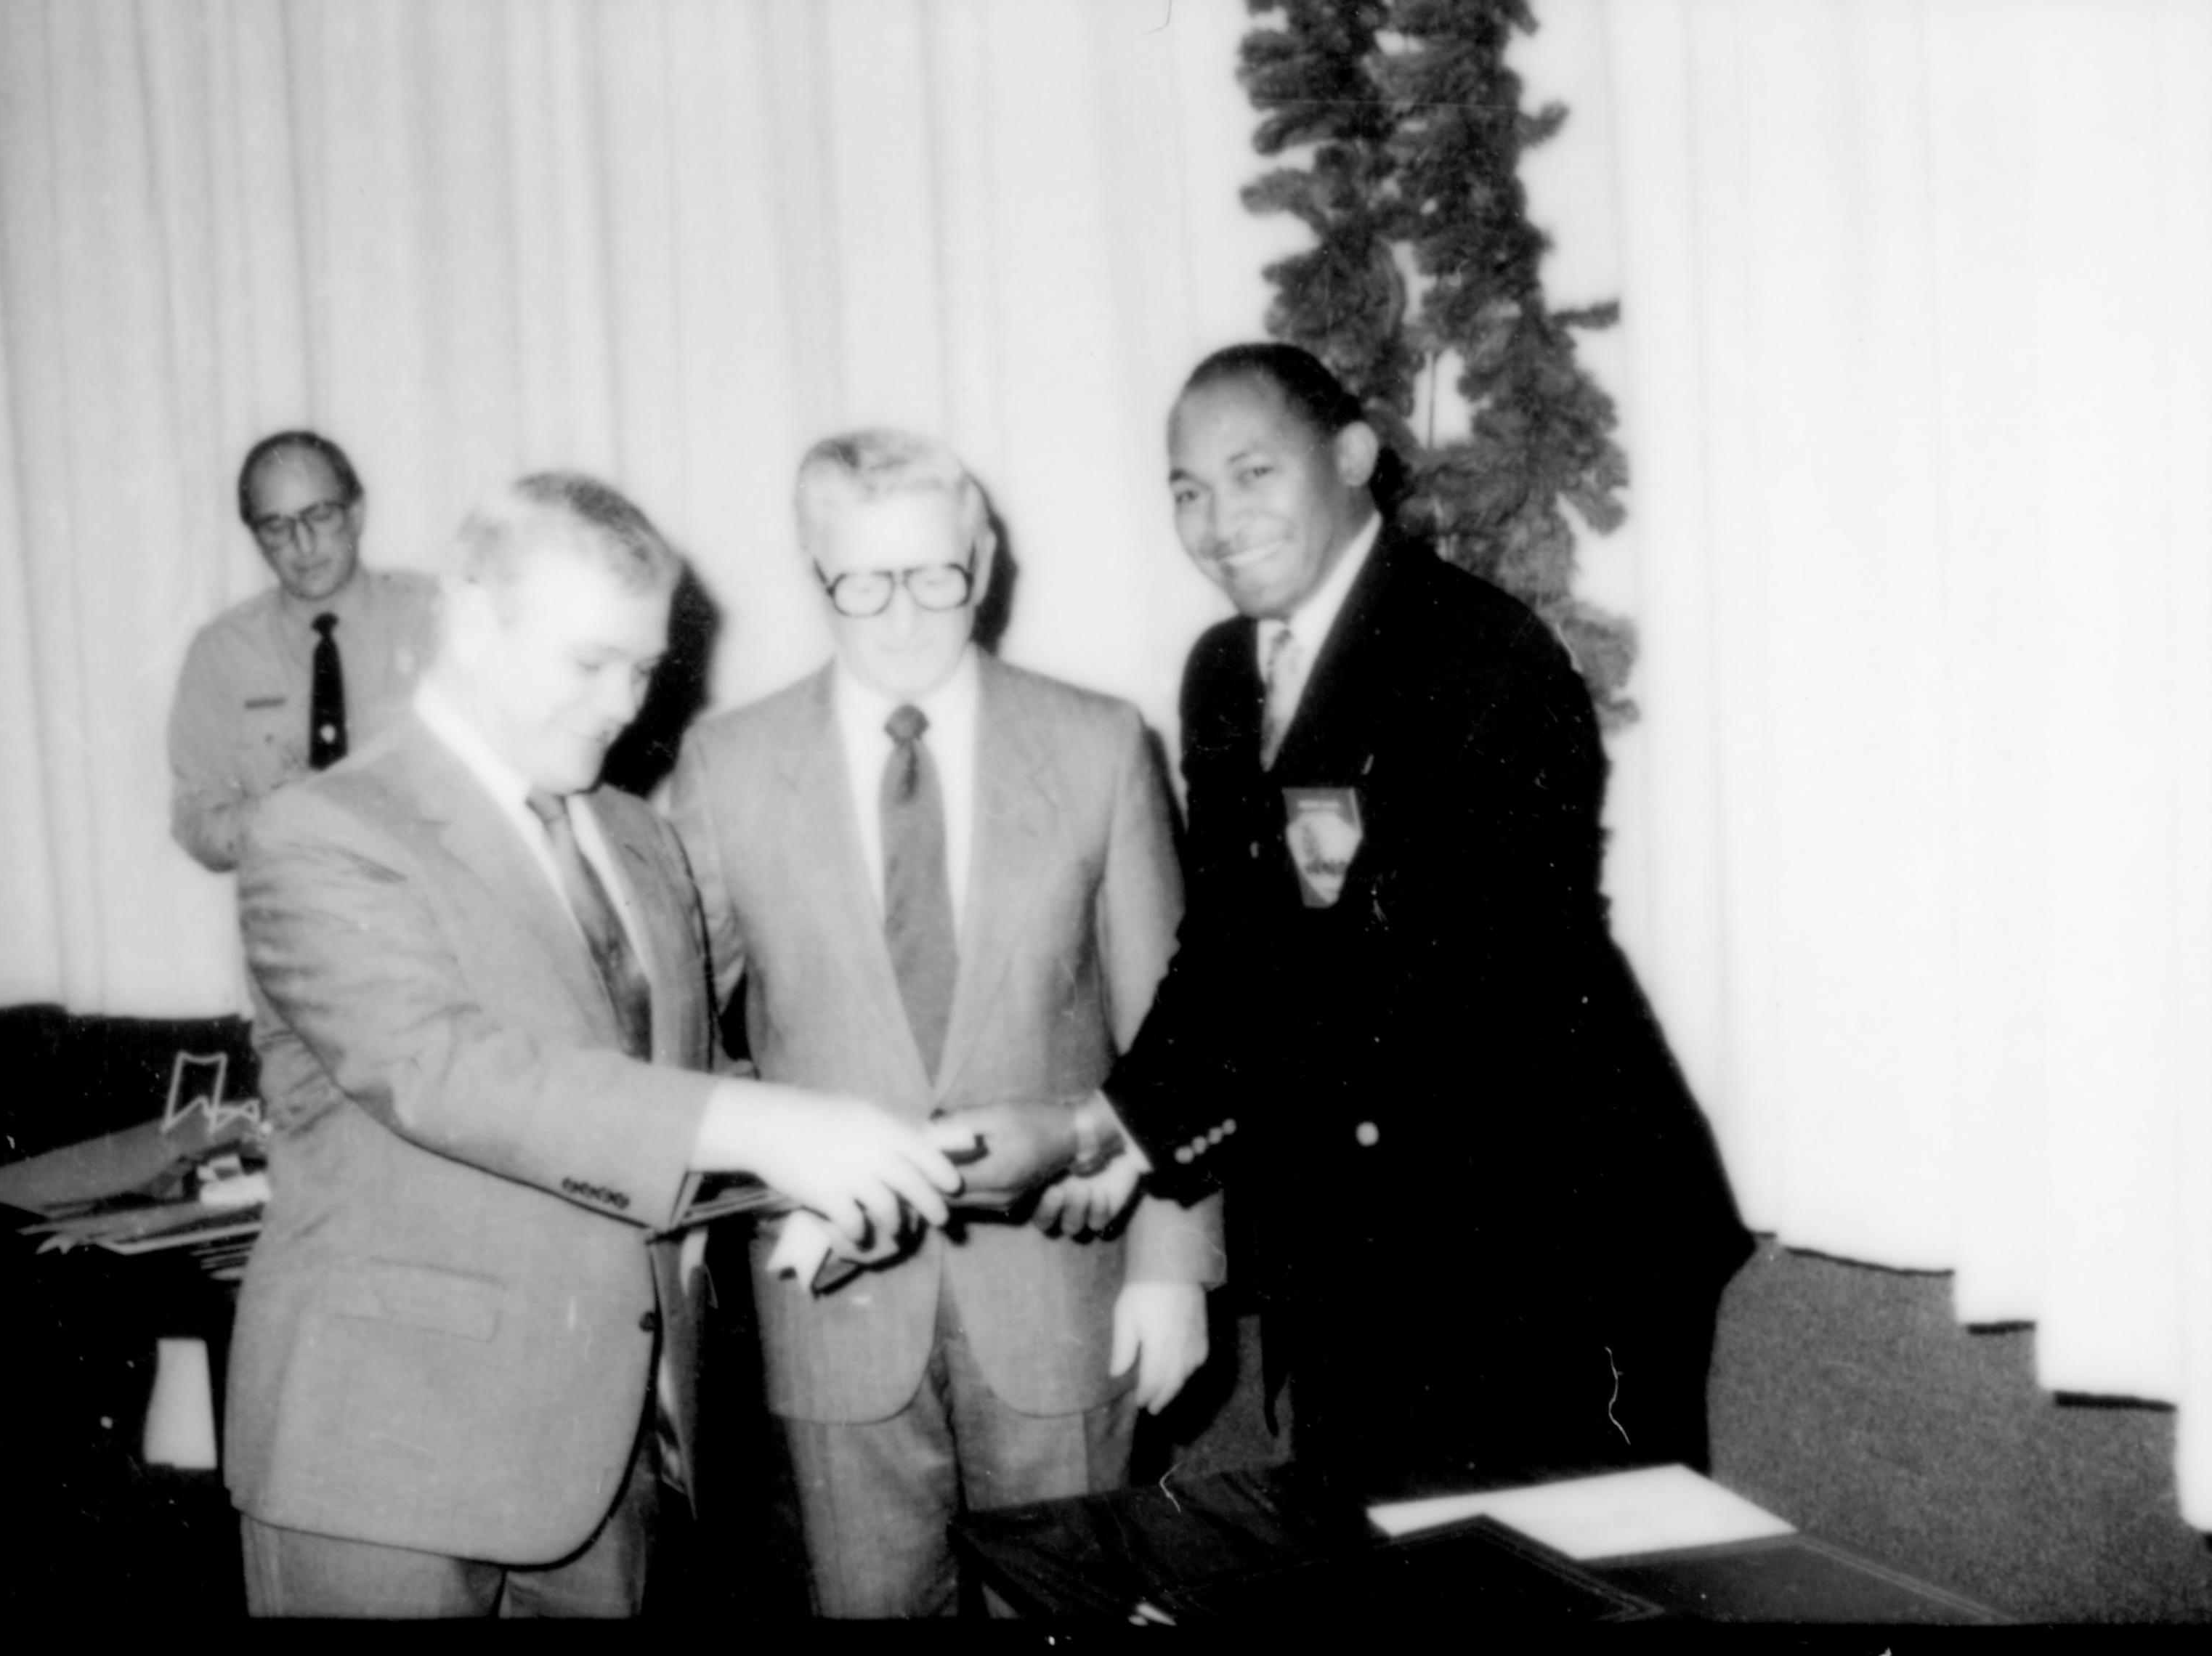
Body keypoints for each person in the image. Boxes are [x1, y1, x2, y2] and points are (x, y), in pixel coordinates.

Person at [1007, 344, 1750, 1500]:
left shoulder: (1478, 654)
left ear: (1353, 457)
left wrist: (1120, 1129)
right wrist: (1117, 1119)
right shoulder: (1223, 674)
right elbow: (1233, 942)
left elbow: (1414, 981)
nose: (1218, 521)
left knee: (1565, 1593)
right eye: (1189, 492)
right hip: (1366, 1236)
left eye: (1253, 473)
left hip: (1551, 1235)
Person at [225, 472, 965, 1618]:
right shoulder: (324, 829)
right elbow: (444, 1069)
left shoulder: (637, 837)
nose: (623, 703)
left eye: (642, 666)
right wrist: (769, 1129)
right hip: (385, 1462)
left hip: (611, 1460)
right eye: (588, 663)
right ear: (471, 621)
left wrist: (826, 1167)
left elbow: (674, 1086)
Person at [665, 430, 1222, 1617]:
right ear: (815, 574)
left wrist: (1174, 1269)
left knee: (1073, 1612)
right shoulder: (728, 766)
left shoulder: (1099, 747)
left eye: (936, 574)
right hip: (835, 1299)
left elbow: (1182, 1028)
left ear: (984, 553)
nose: (905, 614)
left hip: (1064, 1288)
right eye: (862, 583)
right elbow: (670, 1033)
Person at [168, 431, 434, 872]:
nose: (303, 545)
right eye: (277, 527)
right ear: (256, 537)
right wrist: (287, 813)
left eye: (320, 515)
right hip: (296, 914)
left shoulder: (435, 620)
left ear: (356, 514)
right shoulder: (221, 653)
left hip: (432, 909)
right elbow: (197, 821)